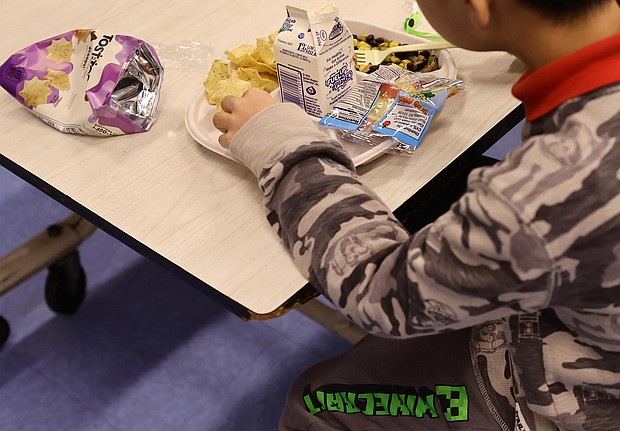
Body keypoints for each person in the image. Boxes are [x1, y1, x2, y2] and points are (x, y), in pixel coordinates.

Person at [213, 0, 620, 429]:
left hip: (584, 400)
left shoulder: (548, 190)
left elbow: (379, 292)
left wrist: (283, 146)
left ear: (477, 8)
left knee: (316, 404)